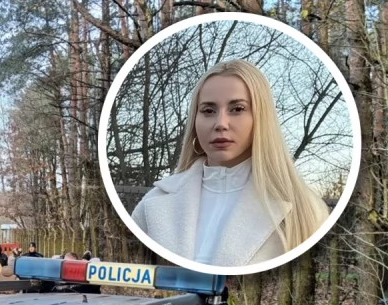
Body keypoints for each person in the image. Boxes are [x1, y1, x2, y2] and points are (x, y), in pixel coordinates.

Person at [130, 59, 327, 267]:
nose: (221, 124)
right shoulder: (153, 206)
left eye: (237, 109)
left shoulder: (305, 211)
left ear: (261, 118)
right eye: (208, 111)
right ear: (195, 121)